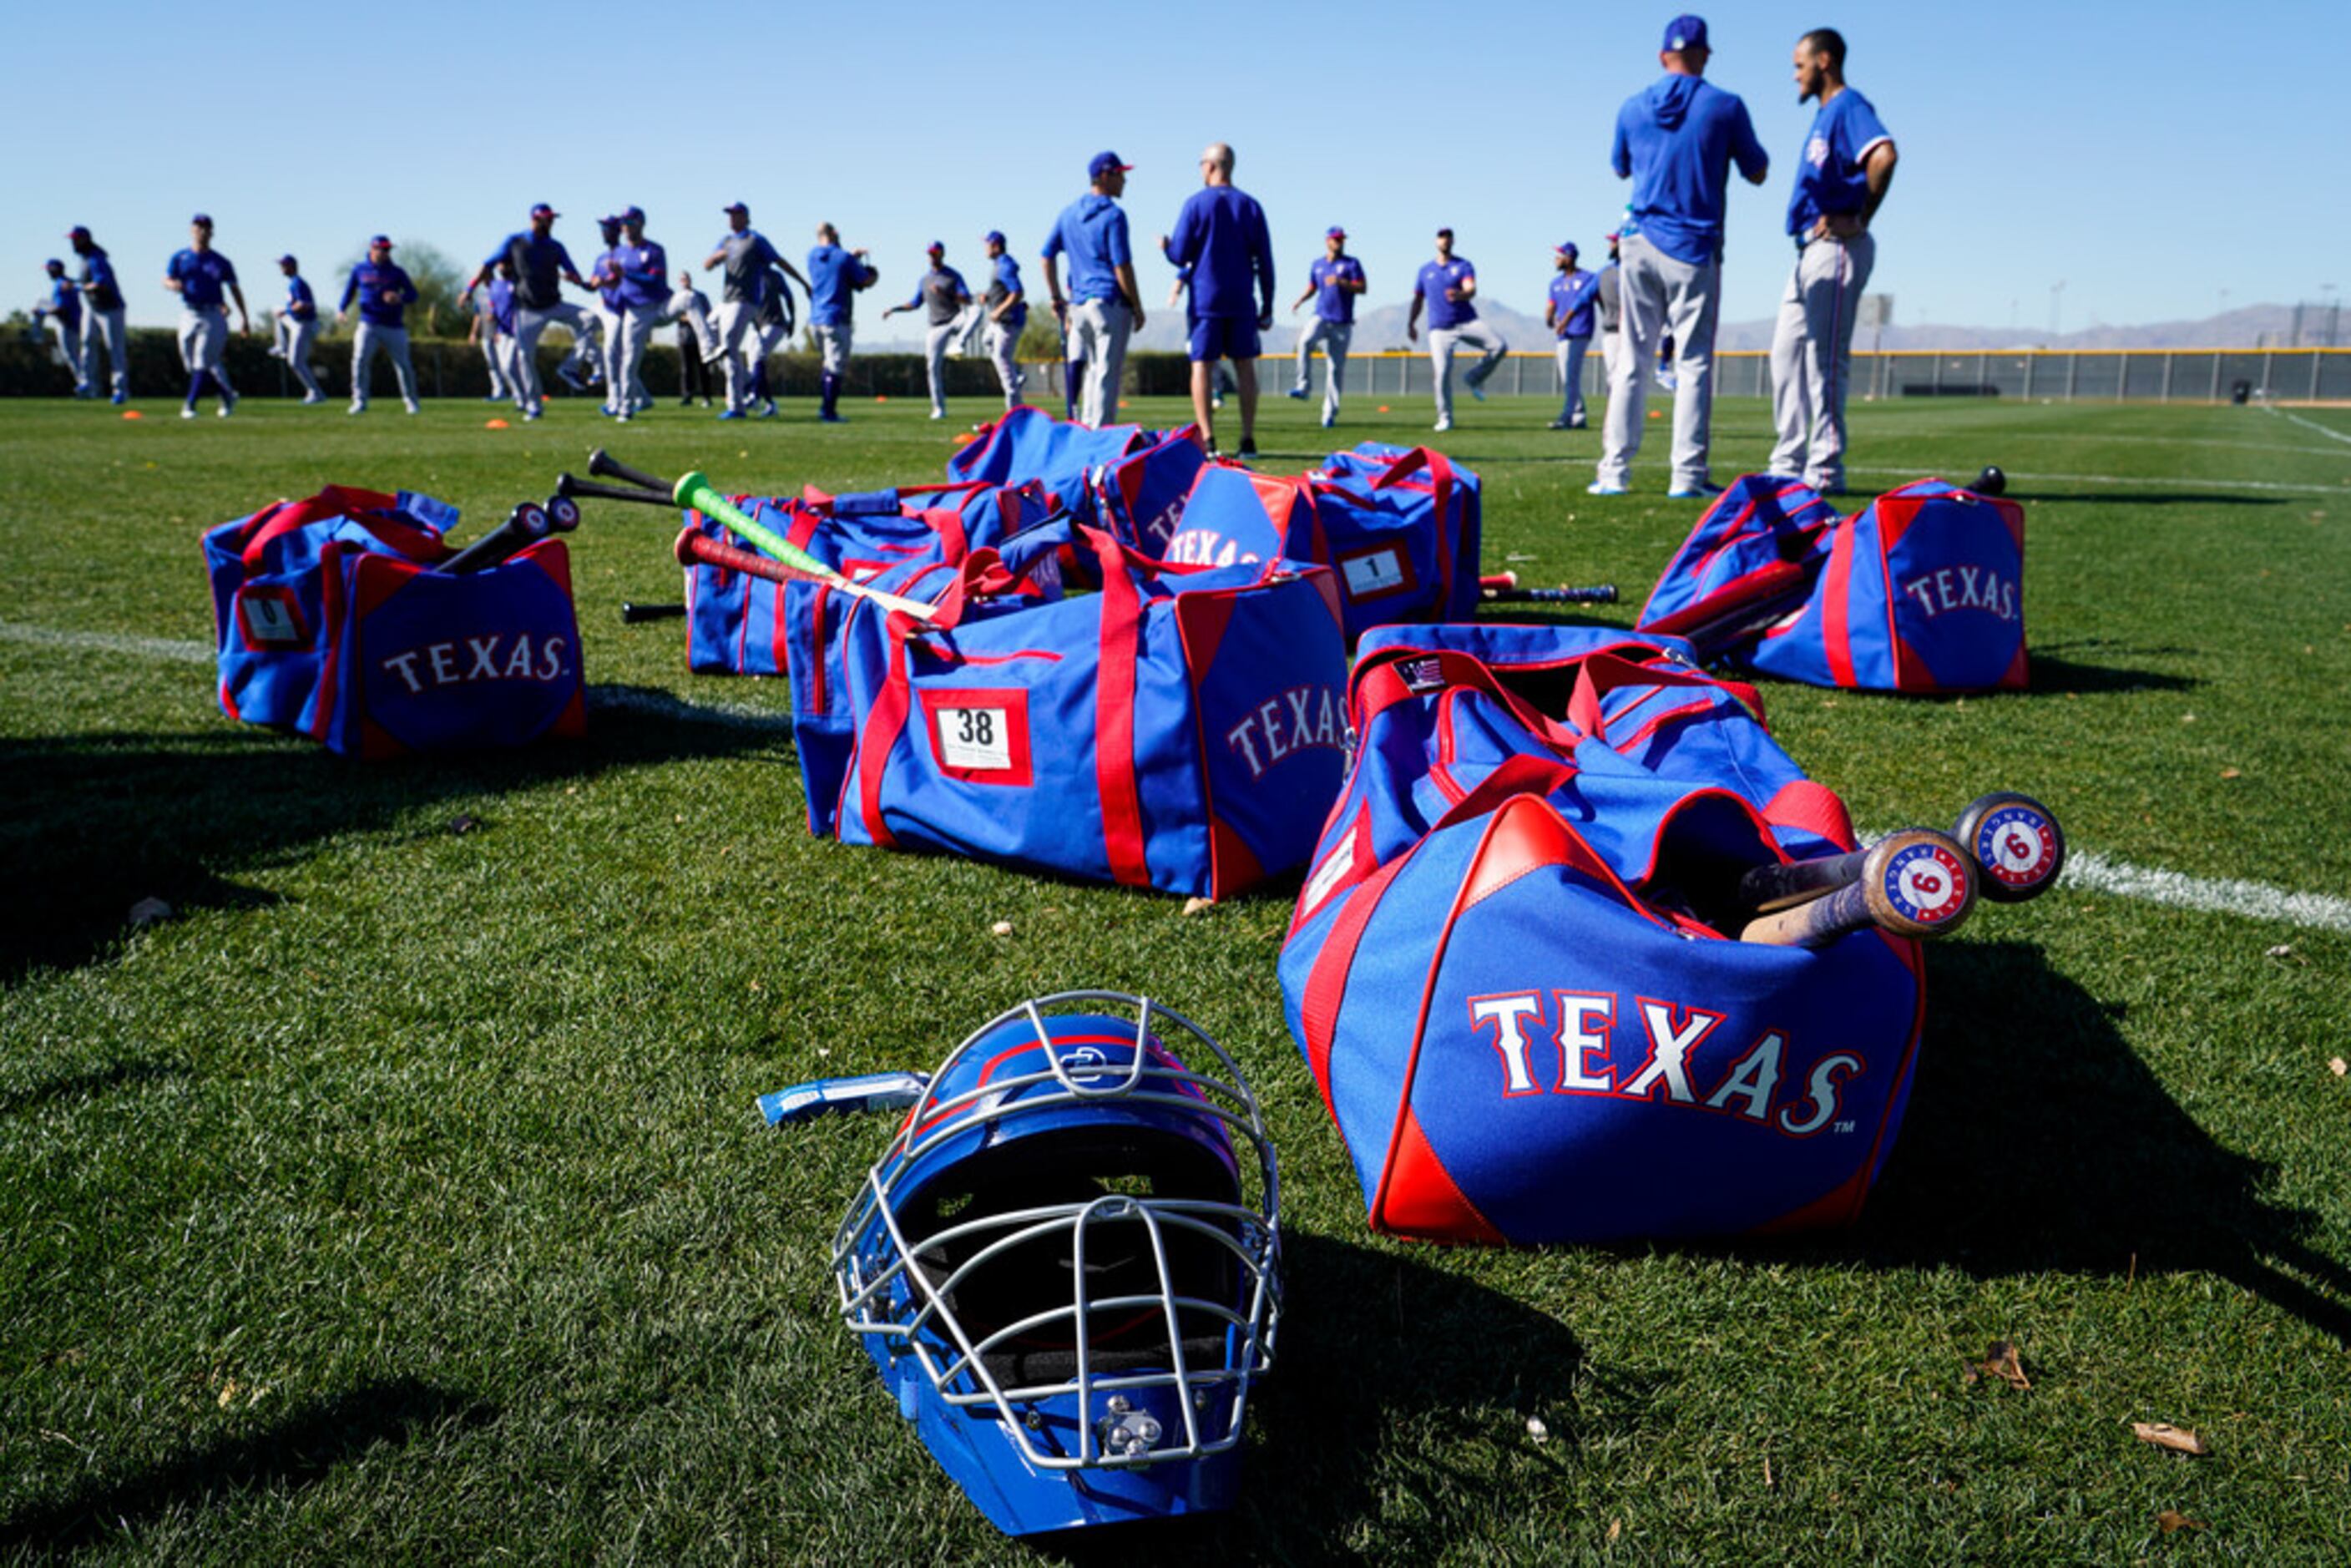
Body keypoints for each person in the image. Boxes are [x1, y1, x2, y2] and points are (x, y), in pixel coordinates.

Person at [1591, 14, 1769, 498]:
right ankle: (1686, 477)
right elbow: (1758, 170)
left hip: (1638, 242)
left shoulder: (1631, 107)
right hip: (1692, 245)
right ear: (1706, 54)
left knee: (1631, 362)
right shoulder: (1725, 106)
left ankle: (1613, 474)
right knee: (1691, 364)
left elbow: (1619, 166)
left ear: (1661, 56)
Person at [1767, 26, 1897, 495]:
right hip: (1807, 249)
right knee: (1785, 355)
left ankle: (1824, 468)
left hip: (1837, 247)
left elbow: (1884, 155)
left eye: (1800, 65)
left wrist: (1859, 216)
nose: (1795, 75)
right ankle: (1788, 462)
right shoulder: (1825, 115)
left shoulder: (1848, 105)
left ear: (1824, 61)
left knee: (1823, 363)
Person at [1165, 142, 1275, 457]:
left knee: (1201, 365)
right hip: (1241, 297)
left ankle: (1208, 438)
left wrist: (1166, 247)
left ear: (1211, 166)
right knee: (1245, 366)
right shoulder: (1251, 206)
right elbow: (1265, 261)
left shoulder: (1195, 204)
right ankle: (1248, 438)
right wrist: (1268, 304)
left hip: (1205, 299)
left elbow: (1180, 254)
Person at [1042, 151, 1145, 428]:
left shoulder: (1068, 214)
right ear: (1104, 176)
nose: (1124, 180)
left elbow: (1046, 255)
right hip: (1109, 302)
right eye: (1119, 174)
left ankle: (1086, 432)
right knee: (1106, 375)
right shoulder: (1113, 215)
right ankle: (1101, 437)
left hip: (1078, 306)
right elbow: (1121, 266)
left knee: (1091, 373)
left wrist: (1056, 297)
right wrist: (1137, 305)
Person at [462, 204, 594, 422]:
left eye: (552, 219)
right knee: (524, 357)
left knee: (591, 320)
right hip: (528, 309)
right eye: (546, 219)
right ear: (535, 219)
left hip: (554, 304)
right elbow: (488, 264)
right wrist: (468, 289)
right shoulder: (515, 241)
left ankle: (569, 368)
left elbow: (574, 274)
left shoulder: (555, 246)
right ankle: (534, 406)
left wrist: (581, 282)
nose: (550, 223)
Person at [703, 202, 806, 419]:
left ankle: (736, 407)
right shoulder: (726, 241)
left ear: (746, 217)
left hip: (745, 301)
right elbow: (707, 265)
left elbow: (779, 261)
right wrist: (715, 258)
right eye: (729, 215)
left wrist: (803, 283)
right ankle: (747, 379)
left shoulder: (755, 240)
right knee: (709, 326)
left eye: (736, 214)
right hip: (726, 300)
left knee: (730, 345)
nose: (732, 219)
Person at [1404, 228, 1504, 433]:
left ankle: (1474, 378)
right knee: (1441, 373)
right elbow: (1418, 299)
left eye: (1448, 237)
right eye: (1441, 237)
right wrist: (1411, 323)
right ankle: (1445, 418)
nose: (1445, 240)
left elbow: (1470, 289)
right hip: (1439, 328)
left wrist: (1460, 294)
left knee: (1499, 346)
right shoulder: (1425, 271)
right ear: (1435, 241)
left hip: (1467, 321)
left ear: (1453, 241)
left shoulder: (1463, 265)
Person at [164, 213, 250, 419]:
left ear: (211, 232)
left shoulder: (219, 261)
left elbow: (234, 289)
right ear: (191, 230)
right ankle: (226, 394)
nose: (201, 231)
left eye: (206, 227)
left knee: (201, 361)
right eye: (198, 226)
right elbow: (167, 279)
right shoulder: (180, 257)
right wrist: (172, 285)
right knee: (190, 363)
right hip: (189, 312)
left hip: (212, 314)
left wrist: (244, 317)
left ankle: (190, 405)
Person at [589, 206, 666, 423]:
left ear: (641, 223)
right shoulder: (618, 253)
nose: (625, 227)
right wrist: (601, 282)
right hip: (634, 311)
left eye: (630, 222)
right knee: (628, 360)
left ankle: (708, 347)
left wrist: (626, 274)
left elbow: (655, 281)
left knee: (690, 299)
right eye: (623, 223)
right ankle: (624, 406)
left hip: (659, 305)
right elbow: (614, 281)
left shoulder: (654, 250)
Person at [882, 242, 973, 421]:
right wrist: (893, 309)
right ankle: (938, 408)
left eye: (935, 253)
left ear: (942, 254)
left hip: (955, 319)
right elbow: (915, 304)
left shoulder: (953, 276)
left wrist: (946, 293)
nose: (932, 256)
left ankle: (959, 342)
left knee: (976, 311)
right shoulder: (924, 280)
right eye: (930, 253)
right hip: (936, 326)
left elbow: (967, 299)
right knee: (932, 367)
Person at [1286, 226, 1364, 430]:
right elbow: (1313, 286)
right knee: (1304, 341)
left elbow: (1362, 287)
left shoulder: (1351, 263)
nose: (1339, 242)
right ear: (1327, 241)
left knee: (1335, 369)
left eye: (1342, 240)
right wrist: (1299, 301)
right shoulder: (1318, 264)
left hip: (1342, 322)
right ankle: (1303, 386)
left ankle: (1329, 413)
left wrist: (1343, 282)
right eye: (1336, 239)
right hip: (1321, 315)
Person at [336, 235, 421, 416]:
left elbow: (413, 294)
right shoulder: (359, 269)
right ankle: (359, 401)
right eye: (382, 249)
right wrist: (342, 310)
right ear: (372, 249)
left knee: (403, 364)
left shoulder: (397, 272)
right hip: (368, 323)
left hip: (394, 325)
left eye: (388, 249)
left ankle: (411, 402)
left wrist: (400, 298)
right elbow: (349, 291)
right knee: (360, 360)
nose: (385, 252)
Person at [806, 223, 879, 423]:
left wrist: (852, 258)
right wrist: (873, 275)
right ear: (835, 233)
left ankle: (825, 408)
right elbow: (864, 280)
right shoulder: (843, 257)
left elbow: (833, 269)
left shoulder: (812, 255)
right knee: (836, 367)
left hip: (815, 318)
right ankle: (828, 412)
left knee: (827, 365)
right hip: (837, 318)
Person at [68, 226, 130, 404]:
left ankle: (120, 390)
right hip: (92, 307)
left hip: (110, 308)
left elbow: (100, 284)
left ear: (85, 239)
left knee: (115, 349)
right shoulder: (84, 258)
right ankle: (87, 385)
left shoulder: (96, 258)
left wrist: (77, 288)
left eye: (76, 239)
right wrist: (75, 283)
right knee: (87, 343)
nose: (73, 243)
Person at [1544, 242, 1601, 430]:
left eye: (1559, 255)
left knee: (1571, 376)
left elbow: (1601, 299)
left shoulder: (1588, 278)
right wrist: (1549, 318)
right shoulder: (1555, 283)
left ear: (1569, 257)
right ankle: (1578, 415)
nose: (1556, 259)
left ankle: (1567, 417)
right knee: (1567, 377)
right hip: (1563, 334)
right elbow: (1551, 304)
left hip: (1580, 331)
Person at [579, 214, 626, 406]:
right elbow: (592, 286)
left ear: (617, 231)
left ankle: (614, 401)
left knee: (614, 354)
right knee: (580, 321)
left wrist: (605, 281)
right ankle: (598, 369)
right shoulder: (601, 258)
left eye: (608, 228)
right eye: (603, 228)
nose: (604, 232)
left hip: (622, 309)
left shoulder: (626, 253)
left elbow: (622, 281)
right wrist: (578, 283)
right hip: (604, 306)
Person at [978, 230, 1027, 410]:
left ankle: (1014, 412)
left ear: (996, 246)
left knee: (1003, 362)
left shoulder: (1004, 266)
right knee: (986, 340)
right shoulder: (1000, 264)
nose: (984, 248)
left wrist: (999, 310)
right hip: (999, 323)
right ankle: (1016, 376)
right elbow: (1002, 290)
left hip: (1009, 322)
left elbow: (1017, 292)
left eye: (987, 244)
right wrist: (988, 296)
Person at [268, 255, 326, 403]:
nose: (281, 268)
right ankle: (281, 346)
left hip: (305, 324)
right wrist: (286, 312)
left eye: (284, 265)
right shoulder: (293, 282)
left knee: (296, 362)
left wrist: (287, 311)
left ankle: (316, 393)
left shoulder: (298, 283)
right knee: (276, 311)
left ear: (292, 266)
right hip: (297, 323)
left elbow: (306, 304)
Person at [33, 260, 92, 398]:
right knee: (74, 356)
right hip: (72, 322)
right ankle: (86, 385)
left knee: (72, 356)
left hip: (67, 323)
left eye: (49, 269)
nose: (48, 272)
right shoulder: (64, 282)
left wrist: (41, 313)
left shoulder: (61, 284)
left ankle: (86, 386)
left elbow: (61, 309)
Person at [746, 266, 795, 417]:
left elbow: (788, 296)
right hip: (757, 326)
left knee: (758, 359)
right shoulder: (748, 275)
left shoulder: (774, 276)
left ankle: (754, 397)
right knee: (754, 364)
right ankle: (769, 404)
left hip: (775, 323)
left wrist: (792, 319)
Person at [670, 270, 716, 407]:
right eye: (682, 279)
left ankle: (706, 397)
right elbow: (674, 316)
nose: (685, 281)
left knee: (704, 368)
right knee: (686, 369)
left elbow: (708, 314)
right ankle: (687, 396)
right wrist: (688, 317)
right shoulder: (676, 298)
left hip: (700, 339)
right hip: (685, 338)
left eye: (687, 278)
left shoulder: (701, 296)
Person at [467, 278, 511, 402]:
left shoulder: (500, 293)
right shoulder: (480, 297)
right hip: (486, 335)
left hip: (501, 335)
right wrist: (473, 333)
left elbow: (506, 313)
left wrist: (498, 330)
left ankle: (516, 392)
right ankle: (499, 392)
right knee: (492, 365)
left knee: (506, 364)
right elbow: (477, 316)